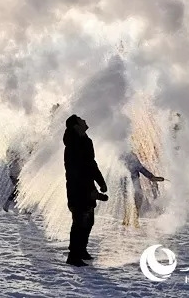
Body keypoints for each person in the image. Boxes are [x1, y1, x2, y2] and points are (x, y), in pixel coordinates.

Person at [63, 114, 107, 267]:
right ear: (76, 125)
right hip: (78, 188)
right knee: (79, 222)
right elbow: (77, 170)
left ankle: (81, 250)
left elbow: (91, 164)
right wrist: (88, 189)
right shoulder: (73, 144)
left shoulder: (85, 141)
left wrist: (100, 182)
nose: (85, 121)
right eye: (81, 120)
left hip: (87, 186)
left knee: (88, 221)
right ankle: (73, 255)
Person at [121, 150, 165, 227]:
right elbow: (140, 168)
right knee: (134, 198)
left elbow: (140, 168)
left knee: (131, 198)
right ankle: (131, 220)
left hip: (130, 180)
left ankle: (129, 220)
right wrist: (151, 177)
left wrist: (151, 177)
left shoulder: (123, 155)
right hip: (129, 180)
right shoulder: (128, 155)